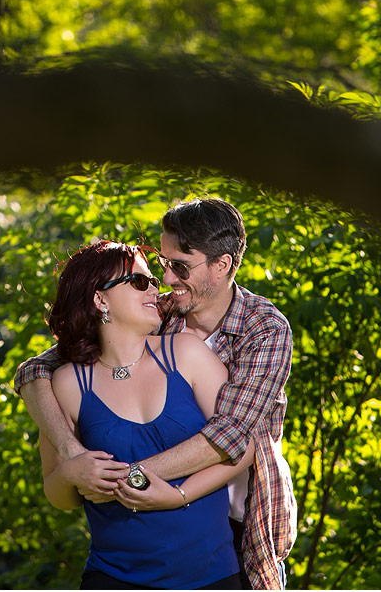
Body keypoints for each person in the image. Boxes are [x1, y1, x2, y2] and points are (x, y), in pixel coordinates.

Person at [18, 199, 296, 590]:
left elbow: (231, 437)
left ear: (223, 265)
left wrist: (127, 480)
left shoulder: (264, 329)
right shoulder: (161, 313)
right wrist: (72, 456)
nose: (165, 280)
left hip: (244, 522)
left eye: (179, 266)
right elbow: (35, 370)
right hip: (132, 552)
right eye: (162, 265)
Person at [40, 239, 252, 589]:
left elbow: (243, 448)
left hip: (214, 576)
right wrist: (71, 474)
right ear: (100, 299)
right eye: (140, 281)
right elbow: (57, 494)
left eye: (153, 280)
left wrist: (178, 495)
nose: (156, 288)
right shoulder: (67, 384)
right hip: (114, 579)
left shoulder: (185, 354)